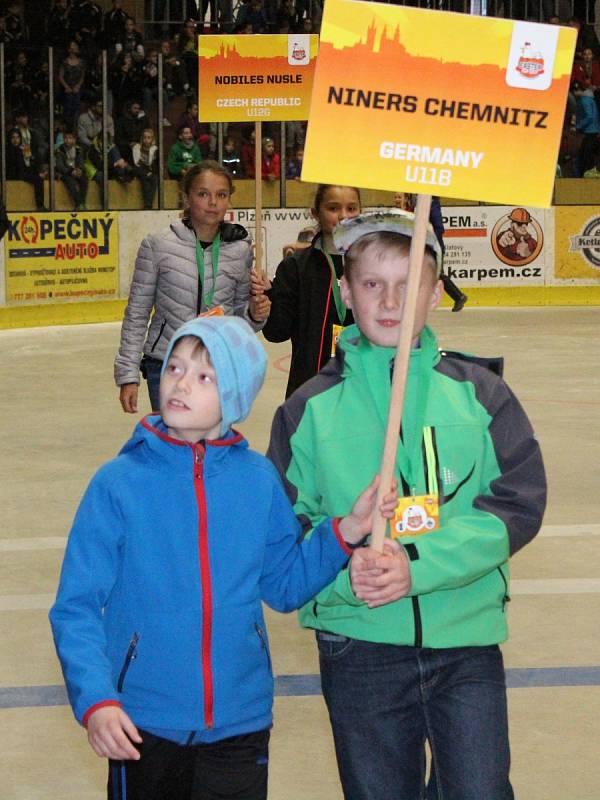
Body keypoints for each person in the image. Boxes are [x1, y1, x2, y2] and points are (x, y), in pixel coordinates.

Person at [51, 314, 397, 800]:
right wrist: (97, 700)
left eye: (204, 375)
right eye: (174, 367)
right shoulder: (118, 484)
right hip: (142, 722)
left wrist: (348, 531)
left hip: (241, 720)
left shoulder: (257, 480)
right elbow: (76, 606)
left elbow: (283, 584)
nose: (180, 383)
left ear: (234, 396)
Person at [267, 209, 547, 800]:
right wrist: (351, 571)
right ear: (345, 293)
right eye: (372, 284)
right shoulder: (307, 411)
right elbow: (285, 536)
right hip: (359, 643)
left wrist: (415, 564)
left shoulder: (480, 393)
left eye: (409, 284)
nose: (390, 300)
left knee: (479, 790)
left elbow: (515, 505)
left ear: (437, 293)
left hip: (462, 638)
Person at [115, 160, 270, 413]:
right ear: (186, 198)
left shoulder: (240, 249)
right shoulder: (158, 245)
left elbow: (240, 322)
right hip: (165, 363)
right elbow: (137, 313)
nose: (213, 202)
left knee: (210, 446)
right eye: (203, 194)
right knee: (174, 447)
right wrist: (128, 375)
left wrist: (255, 313)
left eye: (221, 195)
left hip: (217, 366)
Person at [259, 184, 361, 397]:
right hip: (309, 389)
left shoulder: (373, 265)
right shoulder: (295, 267)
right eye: (333, 208)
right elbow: (277, 333)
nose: (343, 216)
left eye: (351, 208)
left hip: (361, 388)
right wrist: (268, 296)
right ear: (316, 213)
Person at [392, 192, 467, 312]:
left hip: (432, 245)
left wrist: (431, 241)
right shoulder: (414, 205)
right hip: (419, 246)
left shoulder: (432, 203)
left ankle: (459, 296)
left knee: (437, 274)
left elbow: (438, 227)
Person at [55, 129, 88, 210]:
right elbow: (60, 166)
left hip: (76, 171)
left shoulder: (78, 149)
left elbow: (81, 162)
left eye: (70, 138)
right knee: (71, 183)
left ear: (74, 139)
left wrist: (79, 169)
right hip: (65, 173)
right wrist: (70, 171)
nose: (67, 140)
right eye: (65, 138)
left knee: (84, 179)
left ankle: (82, 202)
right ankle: (79, 204)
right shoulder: (60, 150)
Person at [131, 128, 158, 209]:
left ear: (152, 139)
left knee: (154, 179)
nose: (146, 140)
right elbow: (136, 163)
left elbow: (155, 164)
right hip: (139, 169)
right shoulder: (137, 148)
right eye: (145, 137)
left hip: (150, 171)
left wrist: (150, 172)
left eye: (149, 137)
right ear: (142, 139)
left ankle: (150, 204)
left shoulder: (155, 149)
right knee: (145, 180)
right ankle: (147, 205)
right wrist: (146, 173)